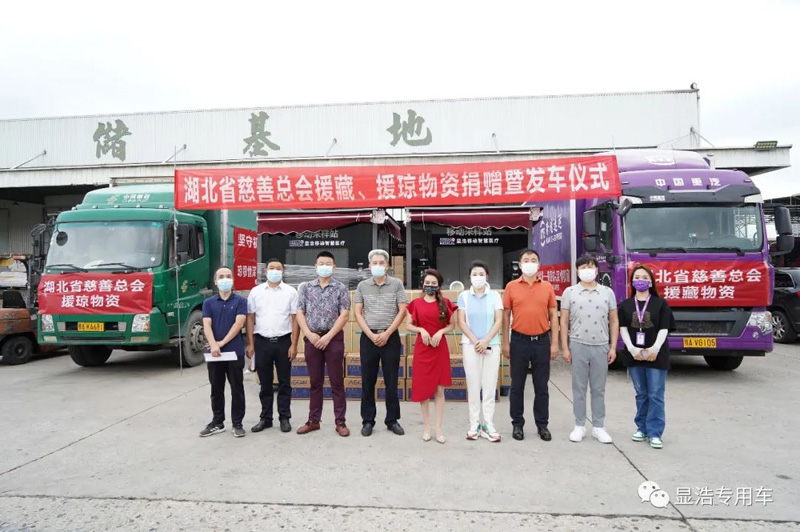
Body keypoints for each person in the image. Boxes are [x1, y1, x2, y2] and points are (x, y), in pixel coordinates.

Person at [560, 255, 619, 444]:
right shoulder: (570, 292)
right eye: (583, 267)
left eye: (590, 266)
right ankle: (579, 425)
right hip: (578, 344)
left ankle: (598, 427)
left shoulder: (607, 292)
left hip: (601, 345)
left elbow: (614, 321)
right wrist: (565, 347)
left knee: (598, 389)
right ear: (577, 271)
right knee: (579, 388)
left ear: (596, 270)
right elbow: (564, 321)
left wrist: (613, 347)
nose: (587, 270)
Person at [502, 249, 559, 442]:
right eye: (526, 260)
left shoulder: (547, 287)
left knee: (541, 386)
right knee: (517, 386)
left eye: (533, 260)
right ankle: (517, 424)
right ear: (520, 265)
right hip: (519, 341)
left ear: (539, 265)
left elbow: (553, 315)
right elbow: (505, 316)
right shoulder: (511, 287)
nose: (529, 263)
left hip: (541, 342)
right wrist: (505, 342)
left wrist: (554, 343)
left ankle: (542, 425)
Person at [618, 265, 676, 450]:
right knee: (641, 394)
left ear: (651, 282)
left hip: (656, 356)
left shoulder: (661, 304)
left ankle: (655, 432)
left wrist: (655, 349)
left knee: (655, 394)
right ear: (632, 282)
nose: (640, 280)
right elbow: (623, 329)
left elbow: (664, 328)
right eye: (637, 277)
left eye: (644, 277)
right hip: (634, 355)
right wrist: (632, 349)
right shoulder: (626, 305)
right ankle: (641, 428)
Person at [295, 251, 351, 437]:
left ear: (334, 267)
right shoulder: (306, 288)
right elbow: (300, 312)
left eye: (328, 263)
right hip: (312, 338)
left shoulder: (340, 288)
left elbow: (344, 314)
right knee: (315, 381)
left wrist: (328, 337)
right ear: (315, 266)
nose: (324, 266)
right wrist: (309, 334)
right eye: (321, 263)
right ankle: (313, 420)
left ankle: (340, 422)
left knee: (337, 382)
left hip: (333, 339)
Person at [354, 249, 408, 437]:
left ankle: (392, 420)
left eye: (381, 263)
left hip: (390, 337)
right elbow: (358, 313)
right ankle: (368, 420)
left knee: (391, 381)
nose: (378, 266)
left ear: (387, 266)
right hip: (368, 338)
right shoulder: (362, 286)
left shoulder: (397, 284)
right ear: (369, 266)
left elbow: (402, 310)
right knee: (367, 381)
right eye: (374, 263)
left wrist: (387, 333)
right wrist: (370, 334)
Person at [246, 258, 300, 434]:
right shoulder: (256, 292)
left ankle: (284, 417)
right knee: (265, 383)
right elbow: (250, 318)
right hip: (262, 342)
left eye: (278, 268)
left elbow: (295, 319)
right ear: (265, 271)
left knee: (284, 382)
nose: (274, 271)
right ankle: (266, 418)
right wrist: (251, 344)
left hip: (283, 341)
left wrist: (294, 344)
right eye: (271, 268)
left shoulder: (291, 292)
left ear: (283, 271)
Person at [406, 269, 457, 444]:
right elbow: (408, 325)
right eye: (427, 283)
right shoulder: (416, 303)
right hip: (423, 349)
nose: (430, 286)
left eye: (433, 283)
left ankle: (438, 427)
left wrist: (441, 332)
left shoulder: (445, 303)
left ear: (439, 286)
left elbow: (452, 325)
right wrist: (421, 329)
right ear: (422, 285)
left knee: (439, 390)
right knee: (424, 390)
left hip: (439, 348)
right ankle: (427, 426)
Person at [199, 267, 249, 438]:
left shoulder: (241, 301)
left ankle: (237, 423)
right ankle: (217, 422)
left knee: (237, 388)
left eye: (228, 276)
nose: (225, 279)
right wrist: (214, 345)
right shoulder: (208, 303)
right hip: (214, 354)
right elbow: (206, 325)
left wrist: (221, 343)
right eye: (221, 276)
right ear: (215, 281)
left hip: (234, 352)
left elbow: (239, 324)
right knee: (216, 388)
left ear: (233, 280)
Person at [457, 261, 503, 442]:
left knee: (489, 385)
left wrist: (486, 340)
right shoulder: (464, 296)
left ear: (487, 276)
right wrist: (476, 341)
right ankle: (474, 423)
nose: (478, 277)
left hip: (492, 345)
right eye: (474, 274)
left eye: (481, 274)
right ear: (470, 277)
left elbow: (498, 320)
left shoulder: (495, 296)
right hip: (470, 345)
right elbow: (461, 321)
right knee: (473, 385)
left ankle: (488, 423)